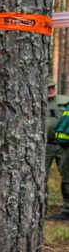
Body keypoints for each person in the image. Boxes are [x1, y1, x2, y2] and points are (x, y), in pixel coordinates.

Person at [46, 79, 69, 220]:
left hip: (64, 146)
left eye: (53, 87)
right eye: (47, 88)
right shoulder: (34, 99)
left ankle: (67, 209)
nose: (51, 90)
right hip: (45, 145)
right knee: (40, 177)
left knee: (67, 176)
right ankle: (39, 206)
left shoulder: (65, 100)